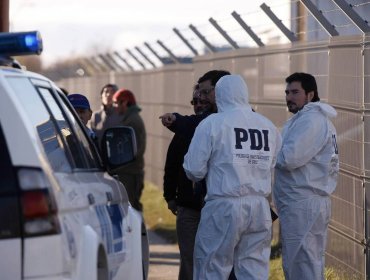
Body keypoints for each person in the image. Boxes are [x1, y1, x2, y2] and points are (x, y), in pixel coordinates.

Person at [183, 75, 282, 280]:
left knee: (212, 266)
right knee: (253, 269)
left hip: (223, 204)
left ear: (218, 96)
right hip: (259, 207)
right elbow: (274, 161)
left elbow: (194, 169)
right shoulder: (267, 126)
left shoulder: (213, 123)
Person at [273, 72, 339, 280]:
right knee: (304, 262)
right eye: (287, 92)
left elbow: (288, 159)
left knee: (302, 265)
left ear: (310, 95)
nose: (289, 97)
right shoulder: (304, 119)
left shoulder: (311, 121)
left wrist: (268, 148)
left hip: (304, 203)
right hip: (302, 202)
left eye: (295, 92)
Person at [163, 84, 210, 280]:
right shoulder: (185, 131)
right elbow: (172, 166)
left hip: (213, 205)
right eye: (194, 102)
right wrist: (170, 197)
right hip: (189, 207)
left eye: (202, 101)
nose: (198, 105)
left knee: (213, 258)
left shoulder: (219, 127)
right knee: (189, 258)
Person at [112, 88, 146, 211]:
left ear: (125, 102)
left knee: (131, 210)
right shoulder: (129, 119)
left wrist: (114, 167)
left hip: (130, 174)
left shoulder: (132, 121)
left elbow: (134, 151)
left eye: (116, 103)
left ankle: (139, 231)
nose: (114, 106)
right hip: (127, 173)